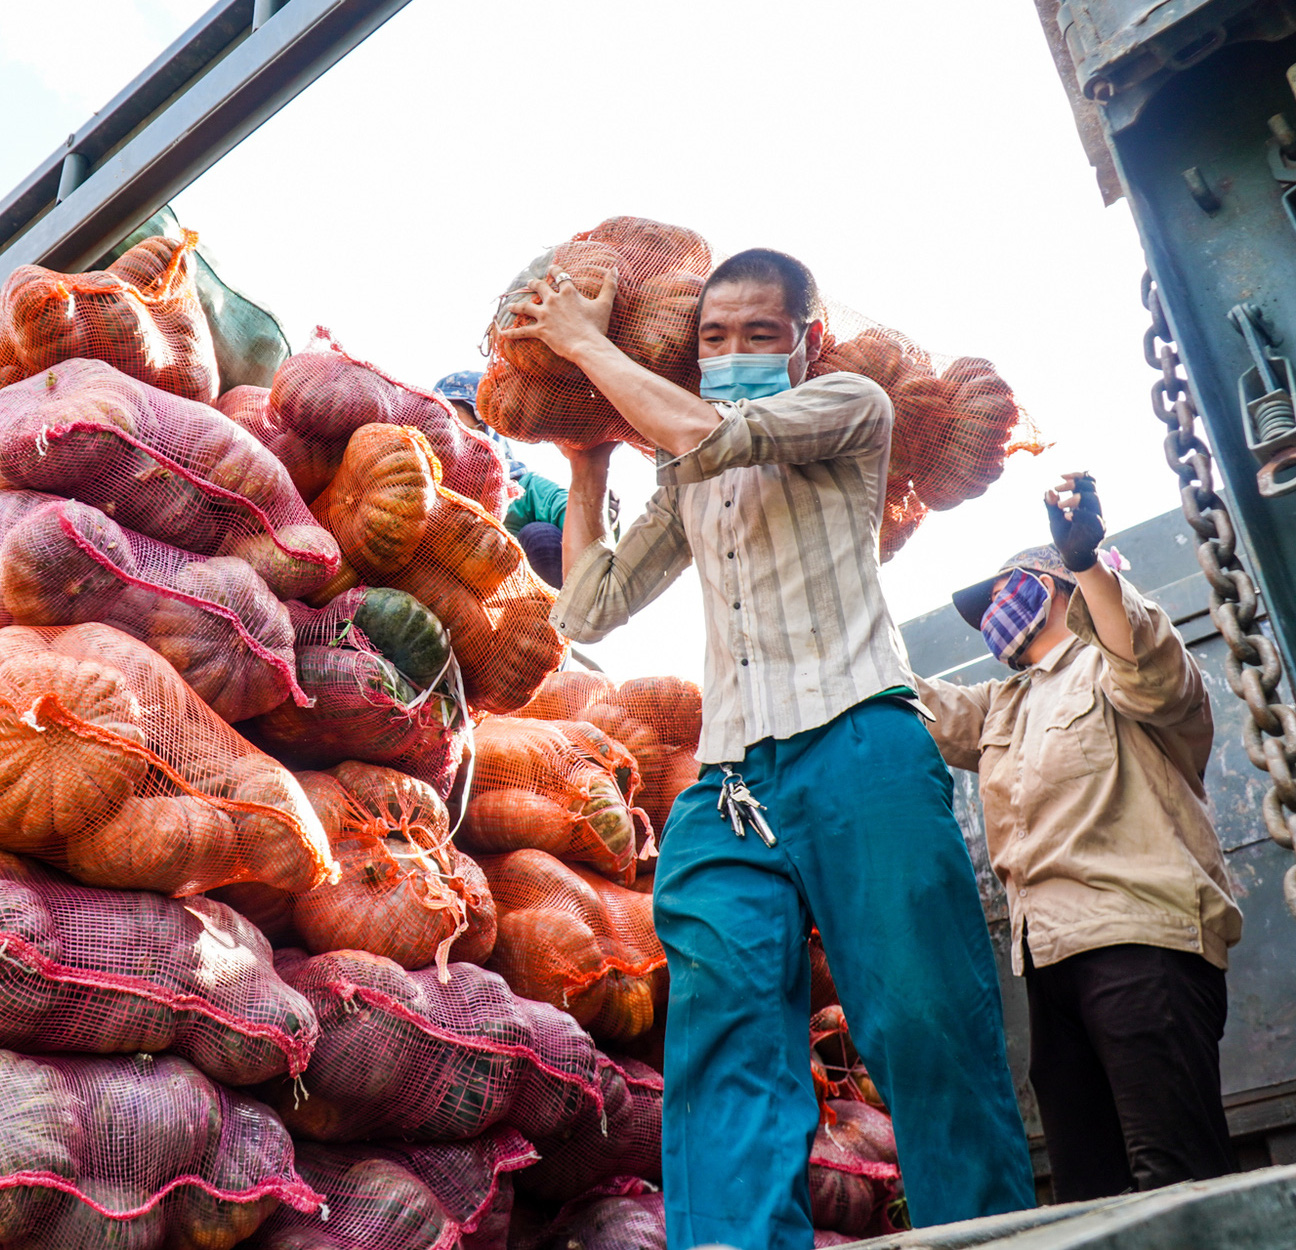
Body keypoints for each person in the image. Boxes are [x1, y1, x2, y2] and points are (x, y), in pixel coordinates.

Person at [506, 247, 1034, 1249]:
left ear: (807, 343)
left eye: (760, 335)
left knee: (921, 1021)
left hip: (860, 742)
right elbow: (588, 604)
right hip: (731, 784)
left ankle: (988, 1234)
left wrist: (579, 342)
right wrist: (586, 459)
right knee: (725, 1036)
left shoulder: (844, 410)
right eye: (714, 339)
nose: (734, 353)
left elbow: (715, 432)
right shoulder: (689, 471)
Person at [915, 473, 1243, 1201]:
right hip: (1050, 964)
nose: (993, 614)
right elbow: (915, 704)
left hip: (1141, 942)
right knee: (1093, 1198)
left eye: (1007, 591)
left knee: (1178, 1182)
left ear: (1053, 587)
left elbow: (1149, 666)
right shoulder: (1003, 704)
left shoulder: (1117, 666)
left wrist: (1088, 562)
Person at [434, 369, 604, 588]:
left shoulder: (523, 487)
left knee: (540, 536)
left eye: (457, 421)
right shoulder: (431, 486)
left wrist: (597, 506)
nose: (450, 433)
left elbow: (575, 512)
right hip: (453, 598)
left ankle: (554, 617)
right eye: (441, 423)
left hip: (520, 605)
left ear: (486, 428)